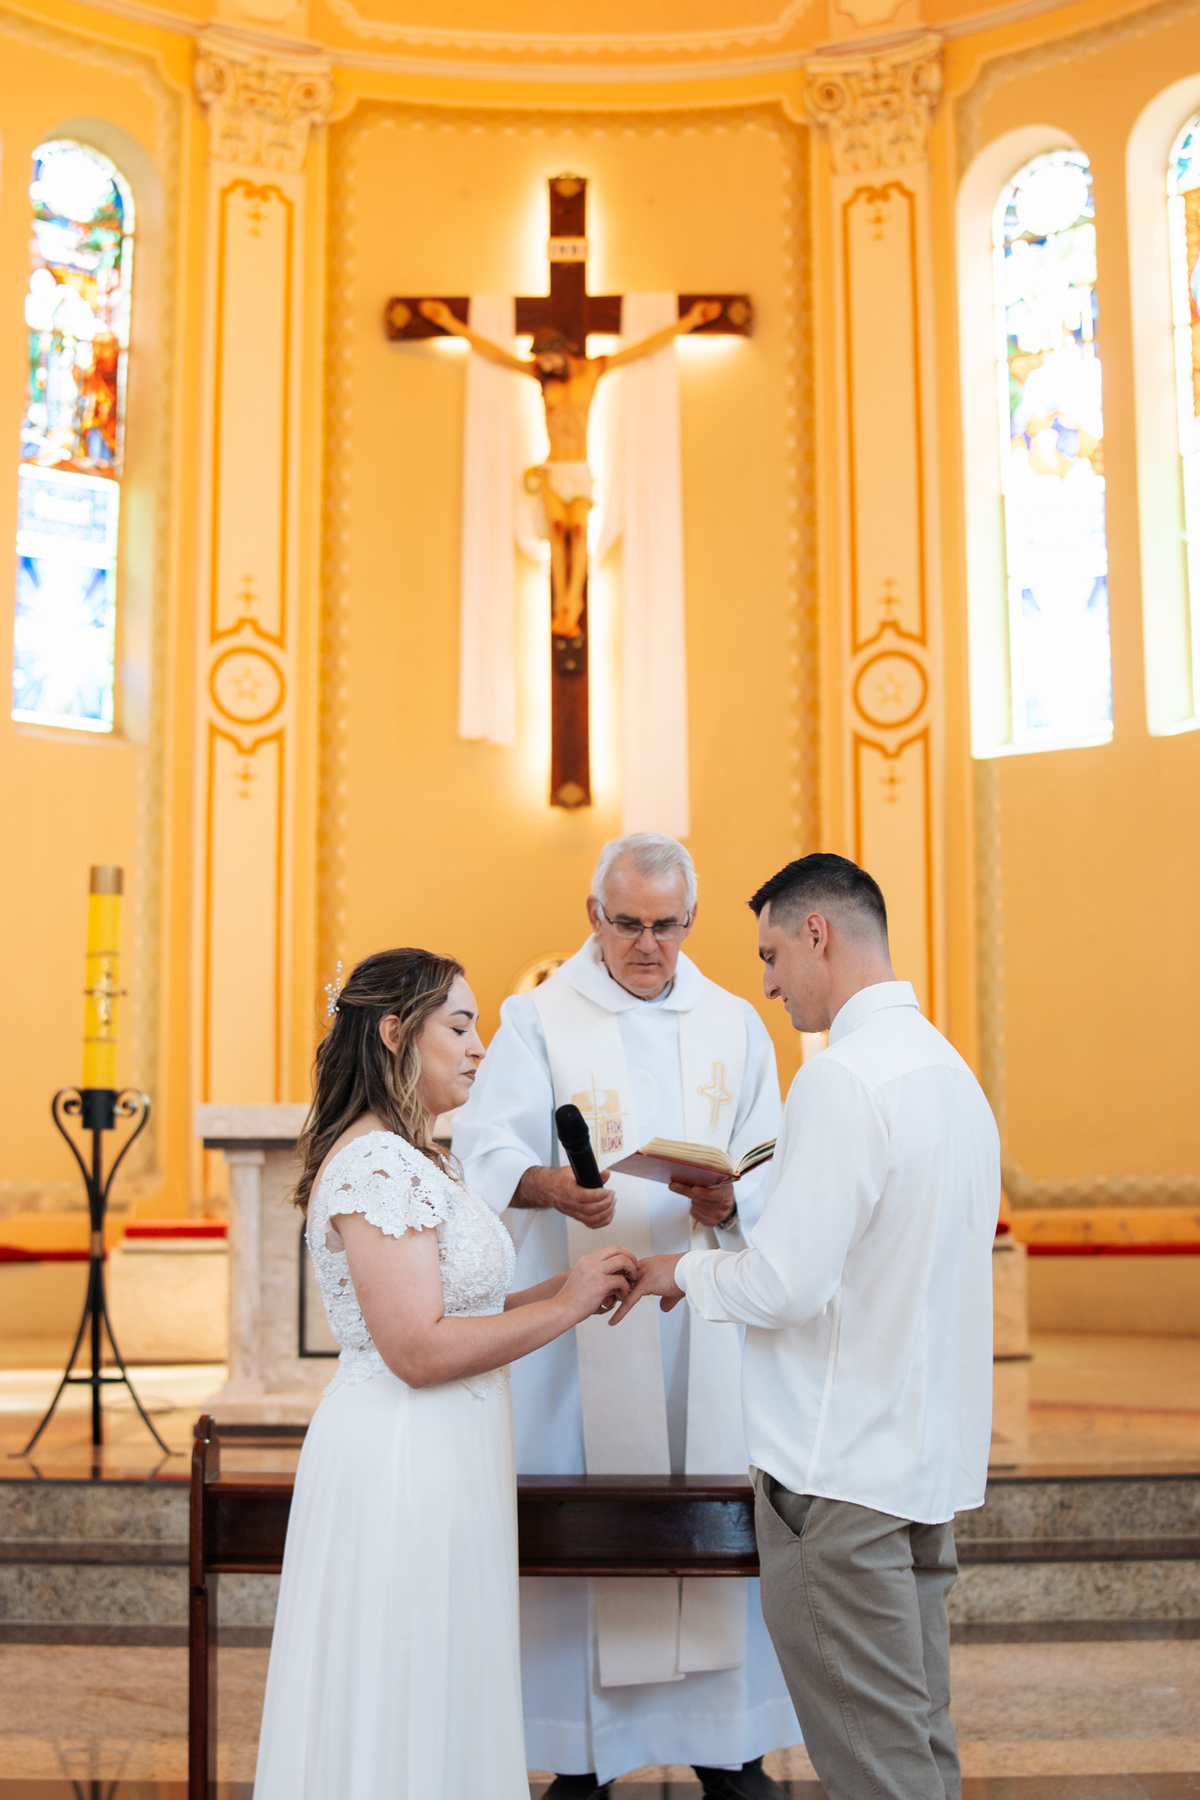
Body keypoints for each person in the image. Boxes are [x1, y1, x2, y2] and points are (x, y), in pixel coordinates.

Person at [613, 853, 1002, 1800]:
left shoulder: (841, 1079)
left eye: (773, 952)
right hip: (916, 1470)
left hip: (837, 1484)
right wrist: (741, 1213)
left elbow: (787, 1290)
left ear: (818, 934)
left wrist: (681, 1271)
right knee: (916, 1749)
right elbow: (872, 1258)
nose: (769, 982)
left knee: (874, 1772)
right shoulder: (950, 1074)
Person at [453, 834, 799, 1800]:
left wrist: (733, 1204)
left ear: (692, 920)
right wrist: (553, 1187)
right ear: (592, 914)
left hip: (702, 1319)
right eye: (628, 923)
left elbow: (773, 1165)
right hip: (583, 1326)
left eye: (667, 926)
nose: (648, 945)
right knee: (590, 1519)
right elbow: (483, 1155)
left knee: (710, 1502)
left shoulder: (734, 1023)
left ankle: (729, 1745)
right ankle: (582, 1755)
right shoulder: (535, 1020)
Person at [253, 947, 637, 1800]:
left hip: (448, 1452)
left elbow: (470, 1305)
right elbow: (417, 1348)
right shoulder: (376, 1166)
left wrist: (587, 1282)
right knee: (403, 1680)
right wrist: (568, 1306)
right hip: (399, 1457)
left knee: (445, 1673)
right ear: (395, 1033)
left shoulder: (423, 1158)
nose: (478, 1048)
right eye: (460, 1026)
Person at [417, 297, 721, 635]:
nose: (545, 367)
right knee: (556, 529)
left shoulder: (592, 371)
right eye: (541, 362)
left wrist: (690, 320)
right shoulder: (541, 377)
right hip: (553, 467)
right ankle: (560, 604)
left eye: (548, 359)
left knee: (579, 530)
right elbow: (496, 354)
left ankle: (574, 604)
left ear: (561, 351)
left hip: (578, 468)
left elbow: (642, 349)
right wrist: (448, 322)